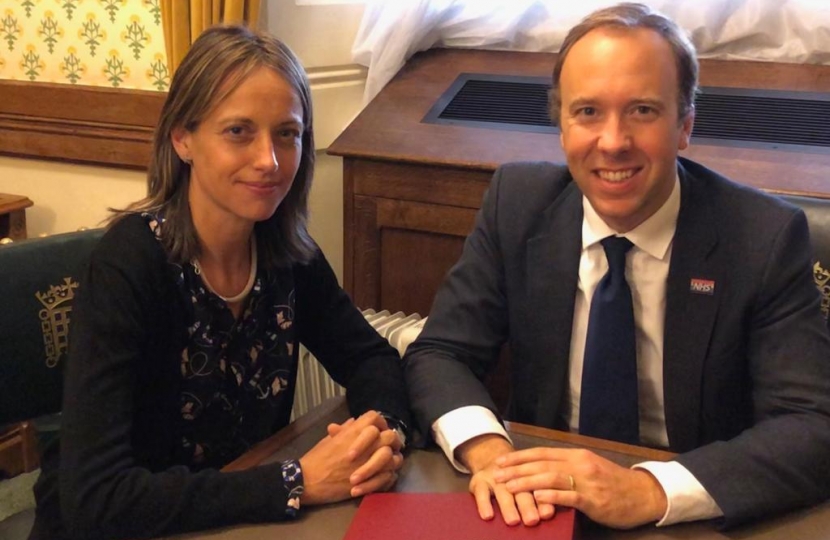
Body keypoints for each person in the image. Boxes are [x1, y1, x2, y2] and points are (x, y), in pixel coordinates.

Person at [404, 2, 830, 531]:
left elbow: (811, 425)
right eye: (588, 112)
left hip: (690, 512)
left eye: (643, 111)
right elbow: (442, 353)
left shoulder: (762, 237)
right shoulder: (517, 204)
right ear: (561, 126)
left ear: (684, 126)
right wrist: (490, 453)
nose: (613, 142)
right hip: (543, 506)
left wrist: (649, 488)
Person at [29, 24, 411, 540]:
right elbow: (95, 498)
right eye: (238, 131)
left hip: (235, 523)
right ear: (183, 138)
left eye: (287, 134)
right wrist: (296, 481)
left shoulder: (287, 254)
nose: (269, 161)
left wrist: (378, 437)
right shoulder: (130, 265)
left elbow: (372, 358)